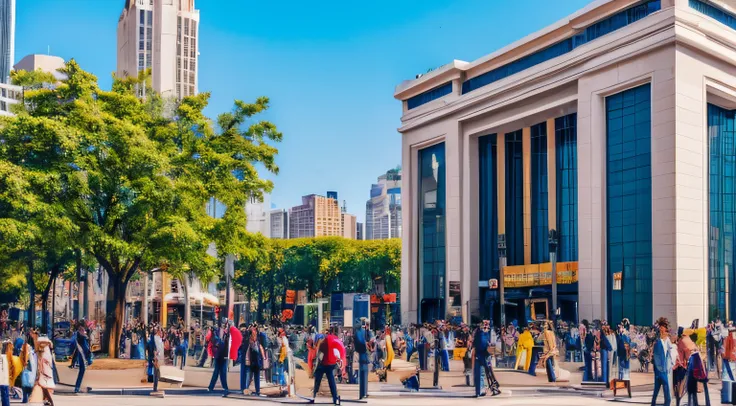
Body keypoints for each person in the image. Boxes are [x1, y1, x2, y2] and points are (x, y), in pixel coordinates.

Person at [312, 327, 344, 405]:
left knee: (318, 379)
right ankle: (335, 397)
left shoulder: (325, 341)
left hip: (324, 363)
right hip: (332, 363)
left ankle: (314, 395)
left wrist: (317, 364)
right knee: (331, 380)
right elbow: (339, 351)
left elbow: (320, 355)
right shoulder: (336, 339)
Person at [472, 320, 501, 397]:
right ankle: (486, 389)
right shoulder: (482, 334)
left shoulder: (481, 333)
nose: (486, 327)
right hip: (483, 355)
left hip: (481, 355)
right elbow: (481, 344)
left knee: (483, 374)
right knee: (486, 373)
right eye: (485, 326)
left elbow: (478, 344)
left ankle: (481, 390)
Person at [651, 317, 674, 406]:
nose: (662, 328)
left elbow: (670, 351)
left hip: (664, 366)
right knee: (657, 387)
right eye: (660, 326)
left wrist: (672, 363)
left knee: (665, 385)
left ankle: (667, 402)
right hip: (657, 365)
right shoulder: (656, 339)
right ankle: (653, 403)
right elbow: (653, 350)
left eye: (663, 326)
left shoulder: (667, 339)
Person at [674, 327, 696, 406]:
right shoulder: (683, 341)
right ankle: (680, 399)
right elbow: (687, 354)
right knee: (682, 382)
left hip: (677, 364)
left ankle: (678, 400)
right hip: (682, 364)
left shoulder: (679, 341)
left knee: (678, 383)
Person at [242, 326, 267, 396]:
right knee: (248, 376)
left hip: (256, 361)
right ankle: (246, 389)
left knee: (256, 376)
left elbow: (261, 349)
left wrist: (264, 357)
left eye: (255, 331)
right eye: (253, 331)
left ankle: (257, 390)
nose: (255, 332)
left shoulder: (258, 341)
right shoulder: (248, 340)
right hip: (250, 361)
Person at [207, 324, 231, 396]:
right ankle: (211, 387)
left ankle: (225, 387)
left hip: (224, 355)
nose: (224, 327)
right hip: (218, 355)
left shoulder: (227, 334)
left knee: (223, 372)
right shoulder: (216, 332)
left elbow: (228, 343)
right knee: (216, 372)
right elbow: (214, 340)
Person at [35, 337, 55, 406]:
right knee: (43, 386)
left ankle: (49, 401)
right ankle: (47, 400)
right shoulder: (47, 353)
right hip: (45, 372)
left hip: (45, 372)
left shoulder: (45, 353)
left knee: (44, 386)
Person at [354, 318, 370, 400]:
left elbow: (360, 342)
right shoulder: (362, 332)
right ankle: (364, 393)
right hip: (363, 355)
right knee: (364, 374)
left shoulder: (358, 332)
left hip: (361, 355)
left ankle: (362, 393)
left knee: (362, 375)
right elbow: (365, 341)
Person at [73, 324, 90, 394]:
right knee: (82, 371)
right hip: (83, 356)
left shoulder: (78, 337)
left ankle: (78, 387)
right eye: (83, 330)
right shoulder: (82, 338)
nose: (84, 332)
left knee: (81, 372)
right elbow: (85, 348)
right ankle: (77, 388)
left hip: (80, 356)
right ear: (81, 331)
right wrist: (89, 355)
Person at [147, 326, 161, 395]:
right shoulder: (156, 340)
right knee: (156, 372)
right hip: (155, 357)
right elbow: (156, 349)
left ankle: (150, 379)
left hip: (150, 356)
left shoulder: (150, 340)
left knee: (150, 367)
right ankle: (155, 387)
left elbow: (147, 347)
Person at [0, 341, 10, 406]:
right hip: (4, 381)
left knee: (5, 395)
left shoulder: (4, 357)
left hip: (3, 380)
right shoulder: (5, 357)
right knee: (5, 395)